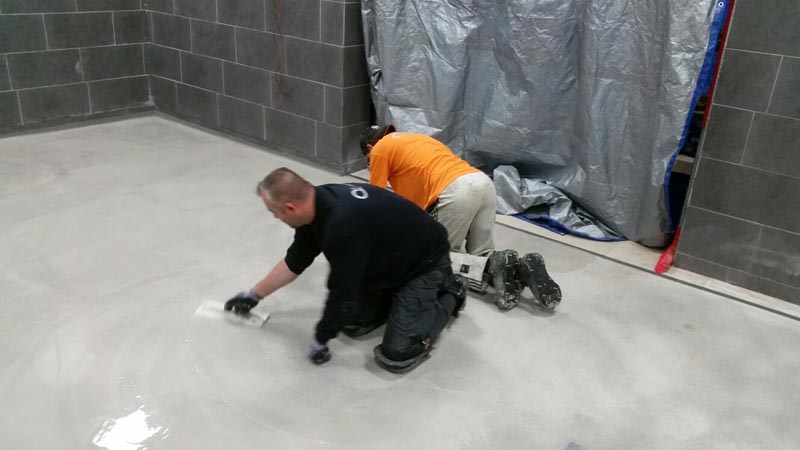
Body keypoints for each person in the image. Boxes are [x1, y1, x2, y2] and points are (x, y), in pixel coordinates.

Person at [224, 167, 466, 373]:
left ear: (290, 207)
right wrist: (253, 295)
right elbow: (295, 262)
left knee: (397, 353)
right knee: (353, 324)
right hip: (391, 261)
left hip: (424, 263)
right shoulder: (315, 205)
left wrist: (321, 338)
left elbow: (343, 292)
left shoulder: (342, 224)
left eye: (274, 212)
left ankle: (452, 292)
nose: (275, 217)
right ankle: (399, 300)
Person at [359, 124, 562, 311]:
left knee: (436, 260)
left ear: (369, 148)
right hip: (482, 183)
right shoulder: (415, 140)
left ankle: (497, 265)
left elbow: (376, 200)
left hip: (456, 190)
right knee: (480, 254)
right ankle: (520, 266)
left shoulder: (379, 150)